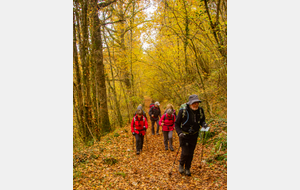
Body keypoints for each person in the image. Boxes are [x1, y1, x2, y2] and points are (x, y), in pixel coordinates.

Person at [175, 94, 208, 176]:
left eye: (197, 102)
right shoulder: (183, 110)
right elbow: (176, 124)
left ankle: (187, 168)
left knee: (191, 153)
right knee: (185, 152)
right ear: (190, 103)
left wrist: (204, 124)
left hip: (194, 135)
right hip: (184, 135)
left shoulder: (200, 110)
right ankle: (181, 164)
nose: (196, 104)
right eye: (194, 103)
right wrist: (179, 133)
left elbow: (202, 120)